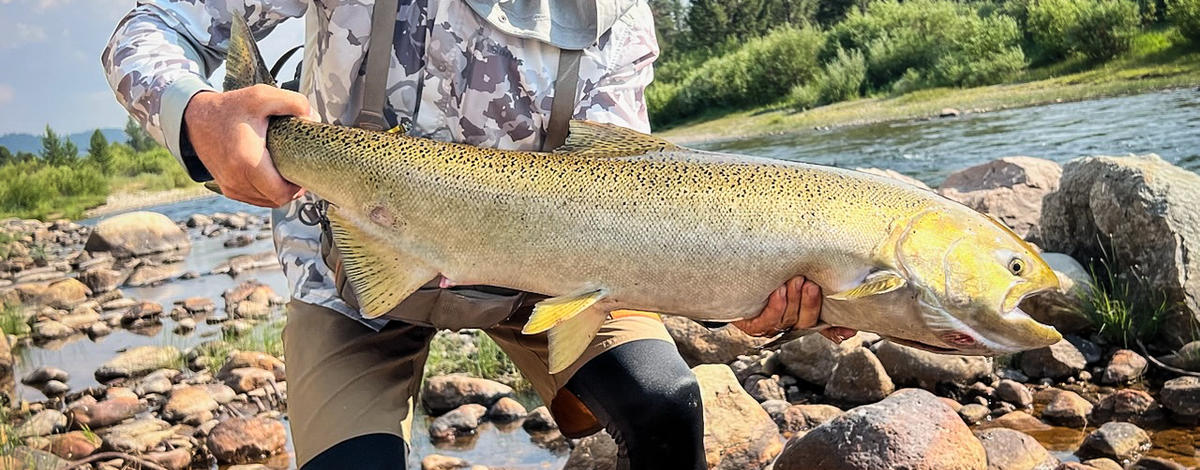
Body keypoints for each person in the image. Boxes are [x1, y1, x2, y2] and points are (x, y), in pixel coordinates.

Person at [102, 1, 856, 468]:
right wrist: (198, 112)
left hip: (549, 278)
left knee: (667, 406)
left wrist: (733, 293)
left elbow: (629, 185)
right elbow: (150, 25)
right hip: (352, 275)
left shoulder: (619, 14)